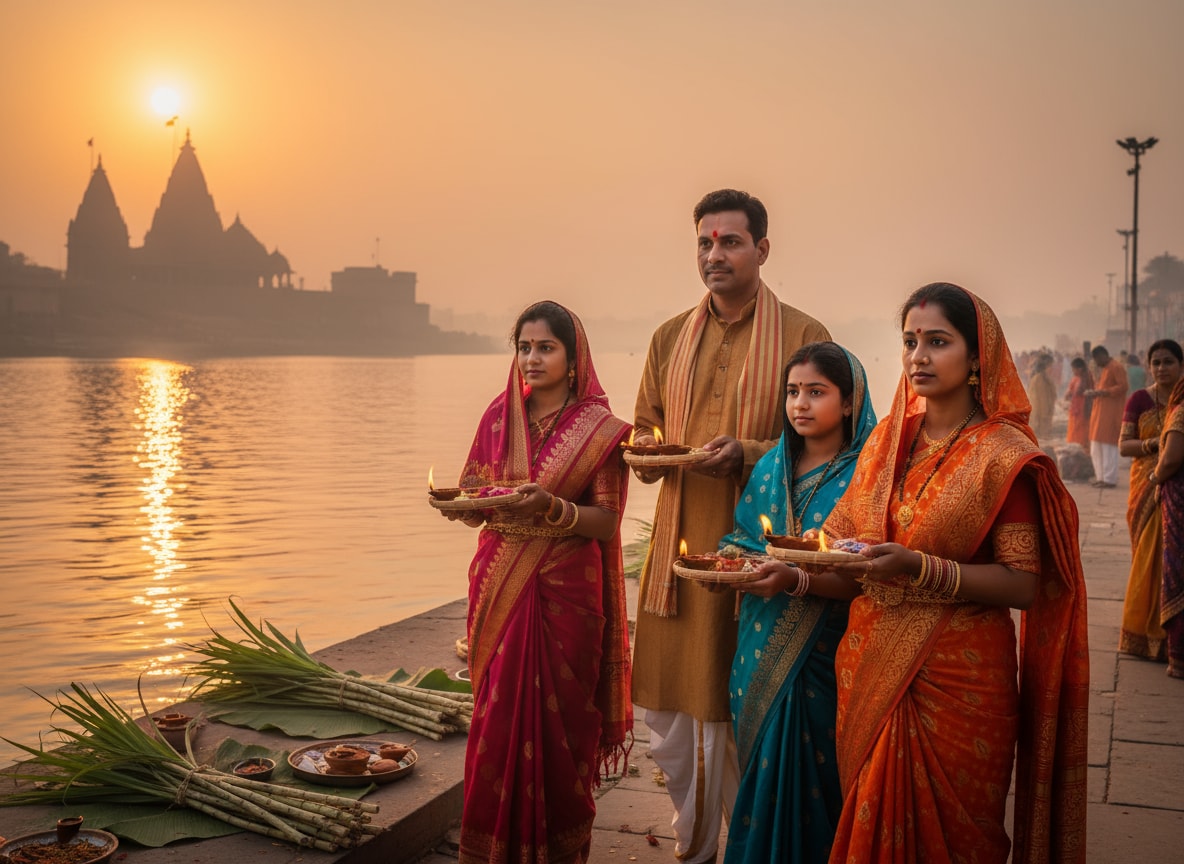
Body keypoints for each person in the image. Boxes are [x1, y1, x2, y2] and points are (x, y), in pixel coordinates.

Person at [819, 283, 1089, 862]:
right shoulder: (884, 445)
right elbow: (846, 555)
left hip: (959, 684)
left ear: (976, 359)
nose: (918, 356)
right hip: (870, 665)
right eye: (910, 341)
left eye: (937, 342)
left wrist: (921, 569)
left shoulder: (1003, 455)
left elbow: (1023, 584)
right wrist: (787, 573)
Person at [631, 188, 830, 862]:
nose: (714, 255)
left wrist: (746, 453)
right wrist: (648, 451)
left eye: (730, 242)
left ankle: (751, 844)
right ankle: (695, 844)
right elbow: (645, 427)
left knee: (743, 711)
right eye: (705, 243)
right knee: (675, 722)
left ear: (762, 249)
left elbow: (834, 444)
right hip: (680, 560)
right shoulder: (668, 337)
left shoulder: (805, 337)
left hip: (761, 555)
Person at [444, 301, 633, 864]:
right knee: (497, 728)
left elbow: (607, 521)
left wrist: (554, 508)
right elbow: (476, 496)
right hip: (499, 586)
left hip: (566, 597)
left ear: (574, 361)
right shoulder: (498, 418)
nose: (531, 358)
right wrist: (462, 509)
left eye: (545, 347)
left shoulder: (601, 432)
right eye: (523, 347)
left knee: (559, 731)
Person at [718, 342, 876, 864]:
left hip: (827, 653)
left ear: (850, 402)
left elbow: (869, 575)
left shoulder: (868, 475)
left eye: (816, 392)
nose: (800, 405)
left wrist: (796, 579)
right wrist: (730, 563)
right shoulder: (770, 466)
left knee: (818, 783)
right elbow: (742, 538)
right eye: (792, 392)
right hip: (760, 644)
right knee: (763, 770)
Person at [1118, 340, 1183, 661]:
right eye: (1155, 362)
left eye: (1168, 362)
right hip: (1146, 484)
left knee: (1174, 559)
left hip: (1177, 486)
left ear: (1180, 365)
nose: (1161, 368)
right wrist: (1157, 444)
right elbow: (1124, 445)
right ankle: (1144, 631)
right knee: (1147, 555)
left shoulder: (1181, 401)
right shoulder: (1140, 399)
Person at [1153, 376, 1184, 679]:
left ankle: (1178, 657)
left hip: (1178, 500)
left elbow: (1172, 457)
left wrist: (1155, 477)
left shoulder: (1181, 411)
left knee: (1177, 572)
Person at [1086, 344, 1129, 487]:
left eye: (1096, 360)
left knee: (1108, 448)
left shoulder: (1116, 367)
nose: (1096, 363)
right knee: (1096, 448)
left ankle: (1109, 479)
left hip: (1110, 415)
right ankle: (1101, 477)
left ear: (1102, 356)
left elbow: (1123, 387)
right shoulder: (1104, 369)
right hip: (1099, 414)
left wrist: (1102, 392)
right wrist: (1096, 392)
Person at [1064, 356, 1093, 449]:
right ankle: (1074, 447)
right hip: (1074, 409)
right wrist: (1068, 394)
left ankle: (1083, 448)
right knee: (1073, 429)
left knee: (1083, 430)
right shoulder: (1075, 378)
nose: (1073, 372)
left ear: (1080, 369)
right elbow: (1069, 391)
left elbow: (1090, 391)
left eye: (1074, 369)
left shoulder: (1088, 377)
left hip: (1084, 409)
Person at [1027, 352, 1056, 439]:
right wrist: (1045, 416)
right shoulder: (1039, 379)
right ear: (1045, 366)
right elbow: (1040, 400)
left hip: (1045, 416)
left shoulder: (1045, 378)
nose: (1052, 368)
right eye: (1050, 366)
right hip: (1041, 417)